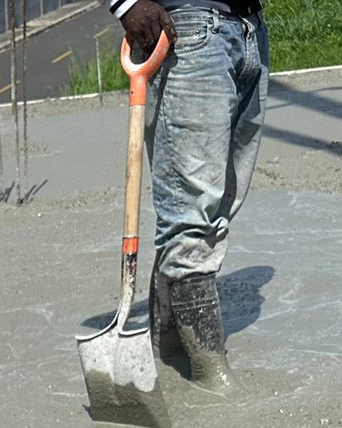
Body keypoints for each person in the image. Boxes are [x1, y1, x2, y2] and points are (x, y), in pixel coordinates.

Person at [112, 0, 268, 390]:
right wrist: (124, 4)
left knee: (216, 207)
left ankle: (168, 351)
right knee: (191, 214)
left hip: (247, 28)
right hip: (186, 30)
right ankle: (210, 376)